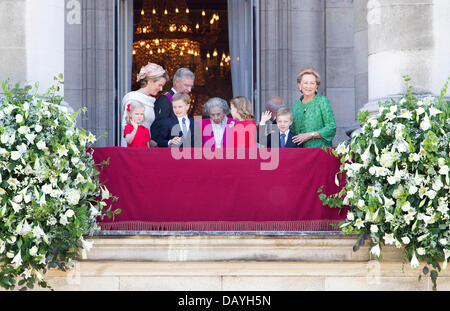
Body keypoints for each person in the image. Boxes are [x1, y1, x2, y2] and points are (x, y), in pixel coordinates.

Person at [121, 62, 168, 147]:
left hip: (144, 148)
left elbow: (146, 130)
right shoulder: (133, 98)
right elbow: (126, 128)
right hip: (133, 150)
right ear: (150, 82)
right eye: (159, 85)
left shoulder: (150, 101)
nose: (161, 89)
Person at [291, 67, 336, 148]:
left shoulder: (322, 101)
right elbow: (291, 129)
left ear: (316, 86)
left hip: (320, 151)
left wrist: (310, 135)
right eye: (305, 83)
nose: (309, 86)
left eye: (312, 83)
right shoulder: (295, 105)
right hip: (299, 152)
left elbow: (331, 128)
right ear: (299, 85)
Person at [151, 68, 195, 144]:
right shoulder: (165, 100)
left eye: (191, 86)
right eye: (187, 85)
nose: (189, 90)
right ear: (177, 82)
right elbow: (159, 127)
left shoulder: (182, 99)